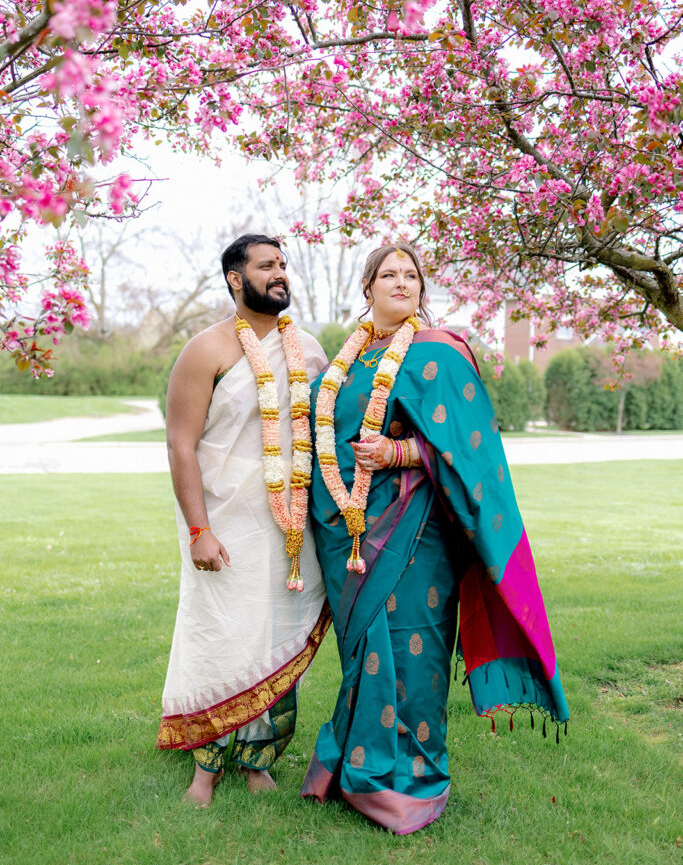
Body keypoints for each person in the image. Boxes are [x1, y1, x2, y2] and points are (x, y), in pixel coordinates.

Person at [301, 243, 569, 834]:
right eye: (388, 274)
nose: (402, 282)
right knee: (362, 655)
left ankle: (412, 780)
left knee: (411, 650)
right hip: (346, 532)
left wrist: (398, 450)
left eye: (412, 274)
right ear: (367, 288)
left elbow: (472, 449)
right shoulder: (343, 366)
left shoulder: (439, 354)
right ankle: (354, 767)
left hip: (416, 531)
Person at [156, 234, 329, 804]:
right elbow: (181, 446)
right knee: (223, 633)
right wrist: (200, 530)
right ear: (236, 278)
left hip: (290, 522)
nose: (280, 273)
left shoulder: (308, 348)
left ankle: (259, 760)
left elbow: (333, 424)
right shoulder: (205, 350)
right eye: (266, 266)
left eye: (282, 264)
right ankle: (205, 768)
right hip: (222, 523)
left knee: (277, 631)